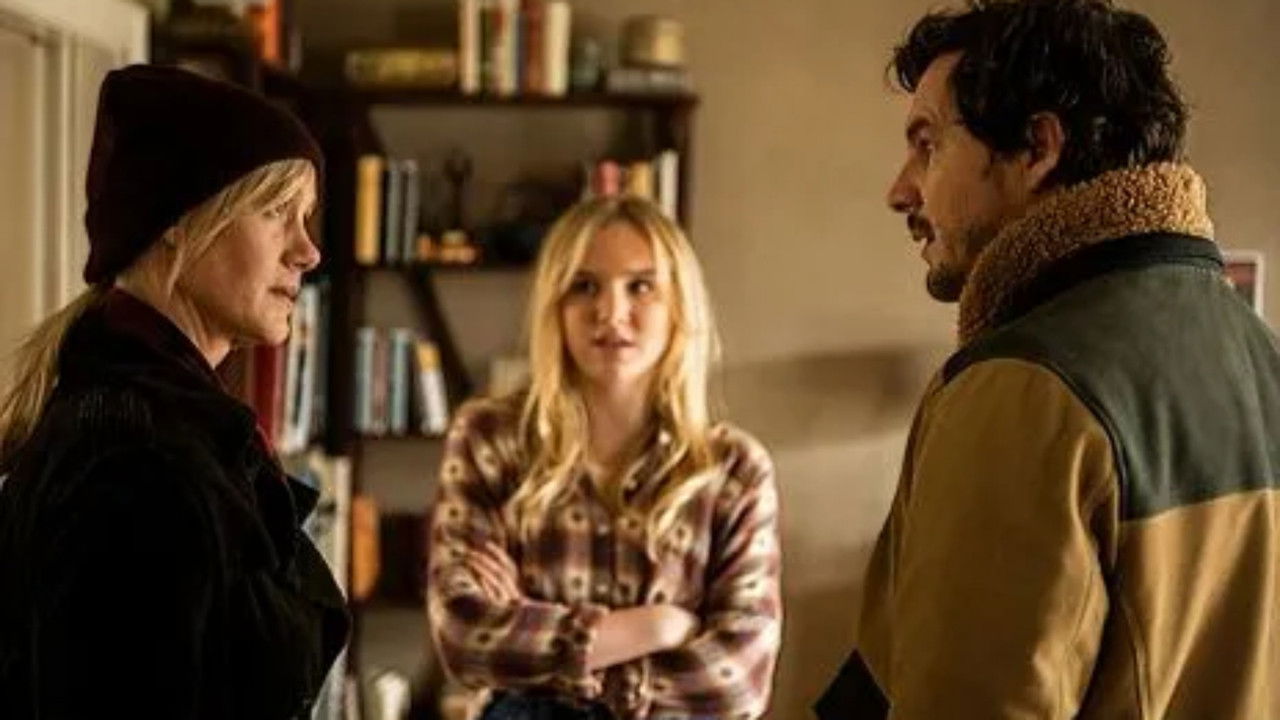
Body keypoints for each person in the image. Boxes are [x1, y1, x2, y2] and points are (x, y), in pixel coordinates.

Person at [815, 0, 1280, 717]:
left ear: (1037, 148)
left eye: (928, 144)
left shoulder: (1023, 387)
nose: (900, 190)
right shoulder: (1262, 357)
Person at [0, 65, 349, 718]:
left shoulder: (168, 423)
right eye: (276, 212)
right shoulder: (132, 455)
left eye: (305, 218)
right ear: (177, 222)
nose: (308, 251)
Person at [425, 197, 783, 720]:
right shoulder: (489, 439)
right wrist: (656, 627)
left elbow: (738, 682)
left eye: (641, 286)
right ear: (555, 305)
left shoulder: (735, 469)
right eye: (584, 286)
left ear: (680, 306)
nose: (611, 313)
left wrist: (538, 649)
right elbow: (463, 638)